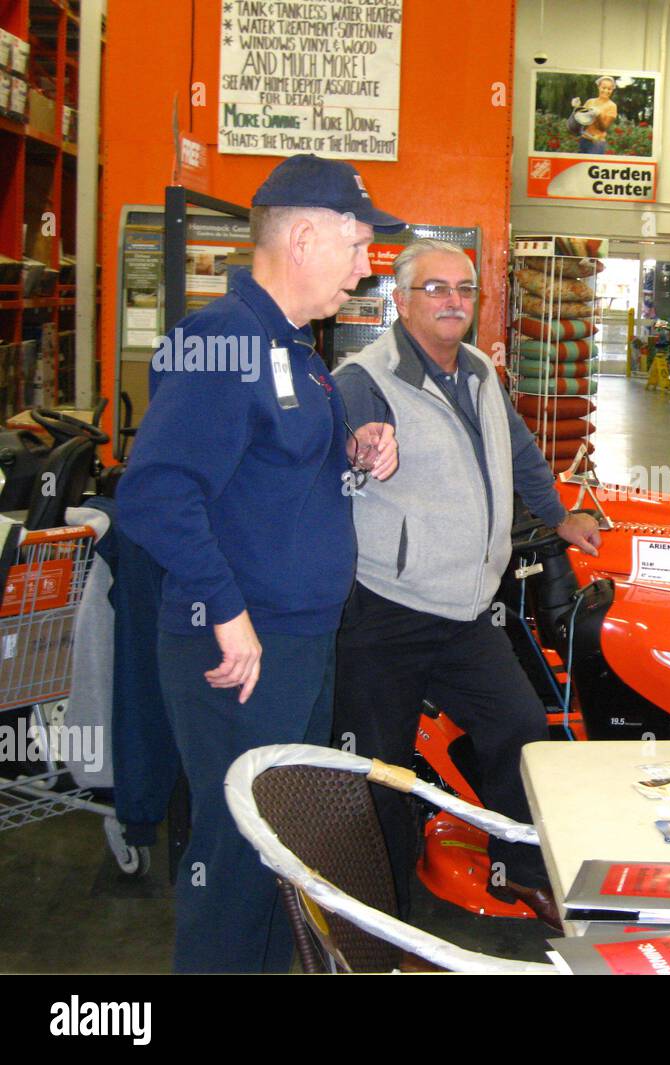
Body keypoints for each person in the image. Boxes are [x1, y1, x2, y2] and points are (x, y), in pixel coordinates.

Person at [116, 154, 404, 972]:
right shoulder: (221, 342)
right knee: (239, 860)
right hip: (245, 650)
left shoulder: (295, 348)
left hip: (299, 639)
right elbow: (158, 493)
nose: (365, 265)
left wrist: (354, 444)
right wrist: (228, 613)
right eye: (355, 245)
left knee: (285, 857)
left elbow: (264, 474)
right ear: (304, 237)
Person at [330, 238, 601, 929]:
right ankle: (379, 908)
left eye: (464, 289)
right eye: (435, 288)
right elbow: (345, 441)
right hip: (386, 611)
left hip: (466, 611)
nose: (454, 300)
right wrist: (358, 445)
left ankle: (517, 873)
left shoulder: (481, 369)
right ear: (401, 300)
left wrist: (560, 516)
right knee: (383, 768)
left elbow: (519, 450)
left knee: (516, 725)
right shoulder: (367, 377)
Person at [577, 75, 618, 154]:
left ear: (612, 90)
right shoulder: (590, 101)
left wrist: (598, 116)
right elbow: (581, 121)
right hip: (584, 140)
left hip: (597, 143)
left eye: (609, 89)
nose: (606, 91)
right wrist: (577, 107)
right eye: (603, 88)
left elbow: (604, 128)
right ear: (598, 87)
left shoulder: (612, 106)